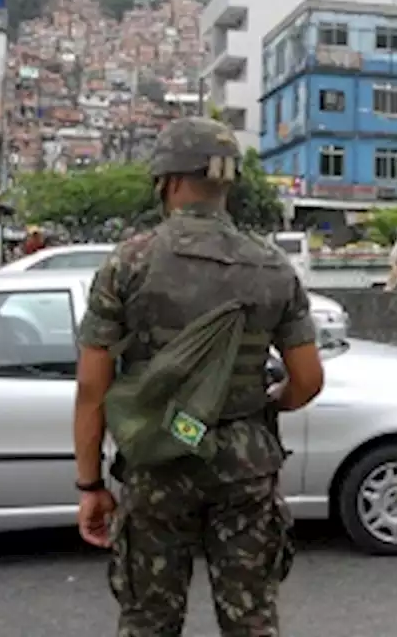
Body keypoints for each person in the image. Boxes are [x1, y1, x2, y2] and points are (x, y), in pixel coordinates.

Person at [72, 116, 325, 637]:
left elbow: (92, 389)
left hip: (156, 463)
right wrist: (266, 404)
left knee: (149, 620)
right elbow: (308, 380)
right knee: (252, 618)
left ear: (167, 180)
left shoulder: (128, 263)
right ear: (227, 183)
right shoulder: (273, 266)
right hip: (245, 466)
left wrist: (91, 484)